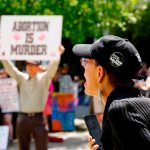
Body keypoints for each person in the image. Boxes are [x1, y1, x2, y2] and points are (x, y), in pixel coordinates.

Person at [72, 35, 150, 150]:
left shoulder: (120, 110)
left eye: (85, 63)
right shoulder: (142, 103)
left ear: (99, 72)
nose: (83, 71)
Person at [1, 45, 65, 150]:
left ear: (38, 66)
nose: (29, 67)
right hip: (22, 118)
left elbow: (52, 68)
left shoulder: (44, 78)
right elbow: (10, 68)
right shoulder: (21, 77)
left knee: (42, 147)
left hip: (38, 119)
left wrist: (58, 54)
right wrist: (2, 53)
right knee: (23, 147)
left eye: (32, 64)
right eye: (28, 65)